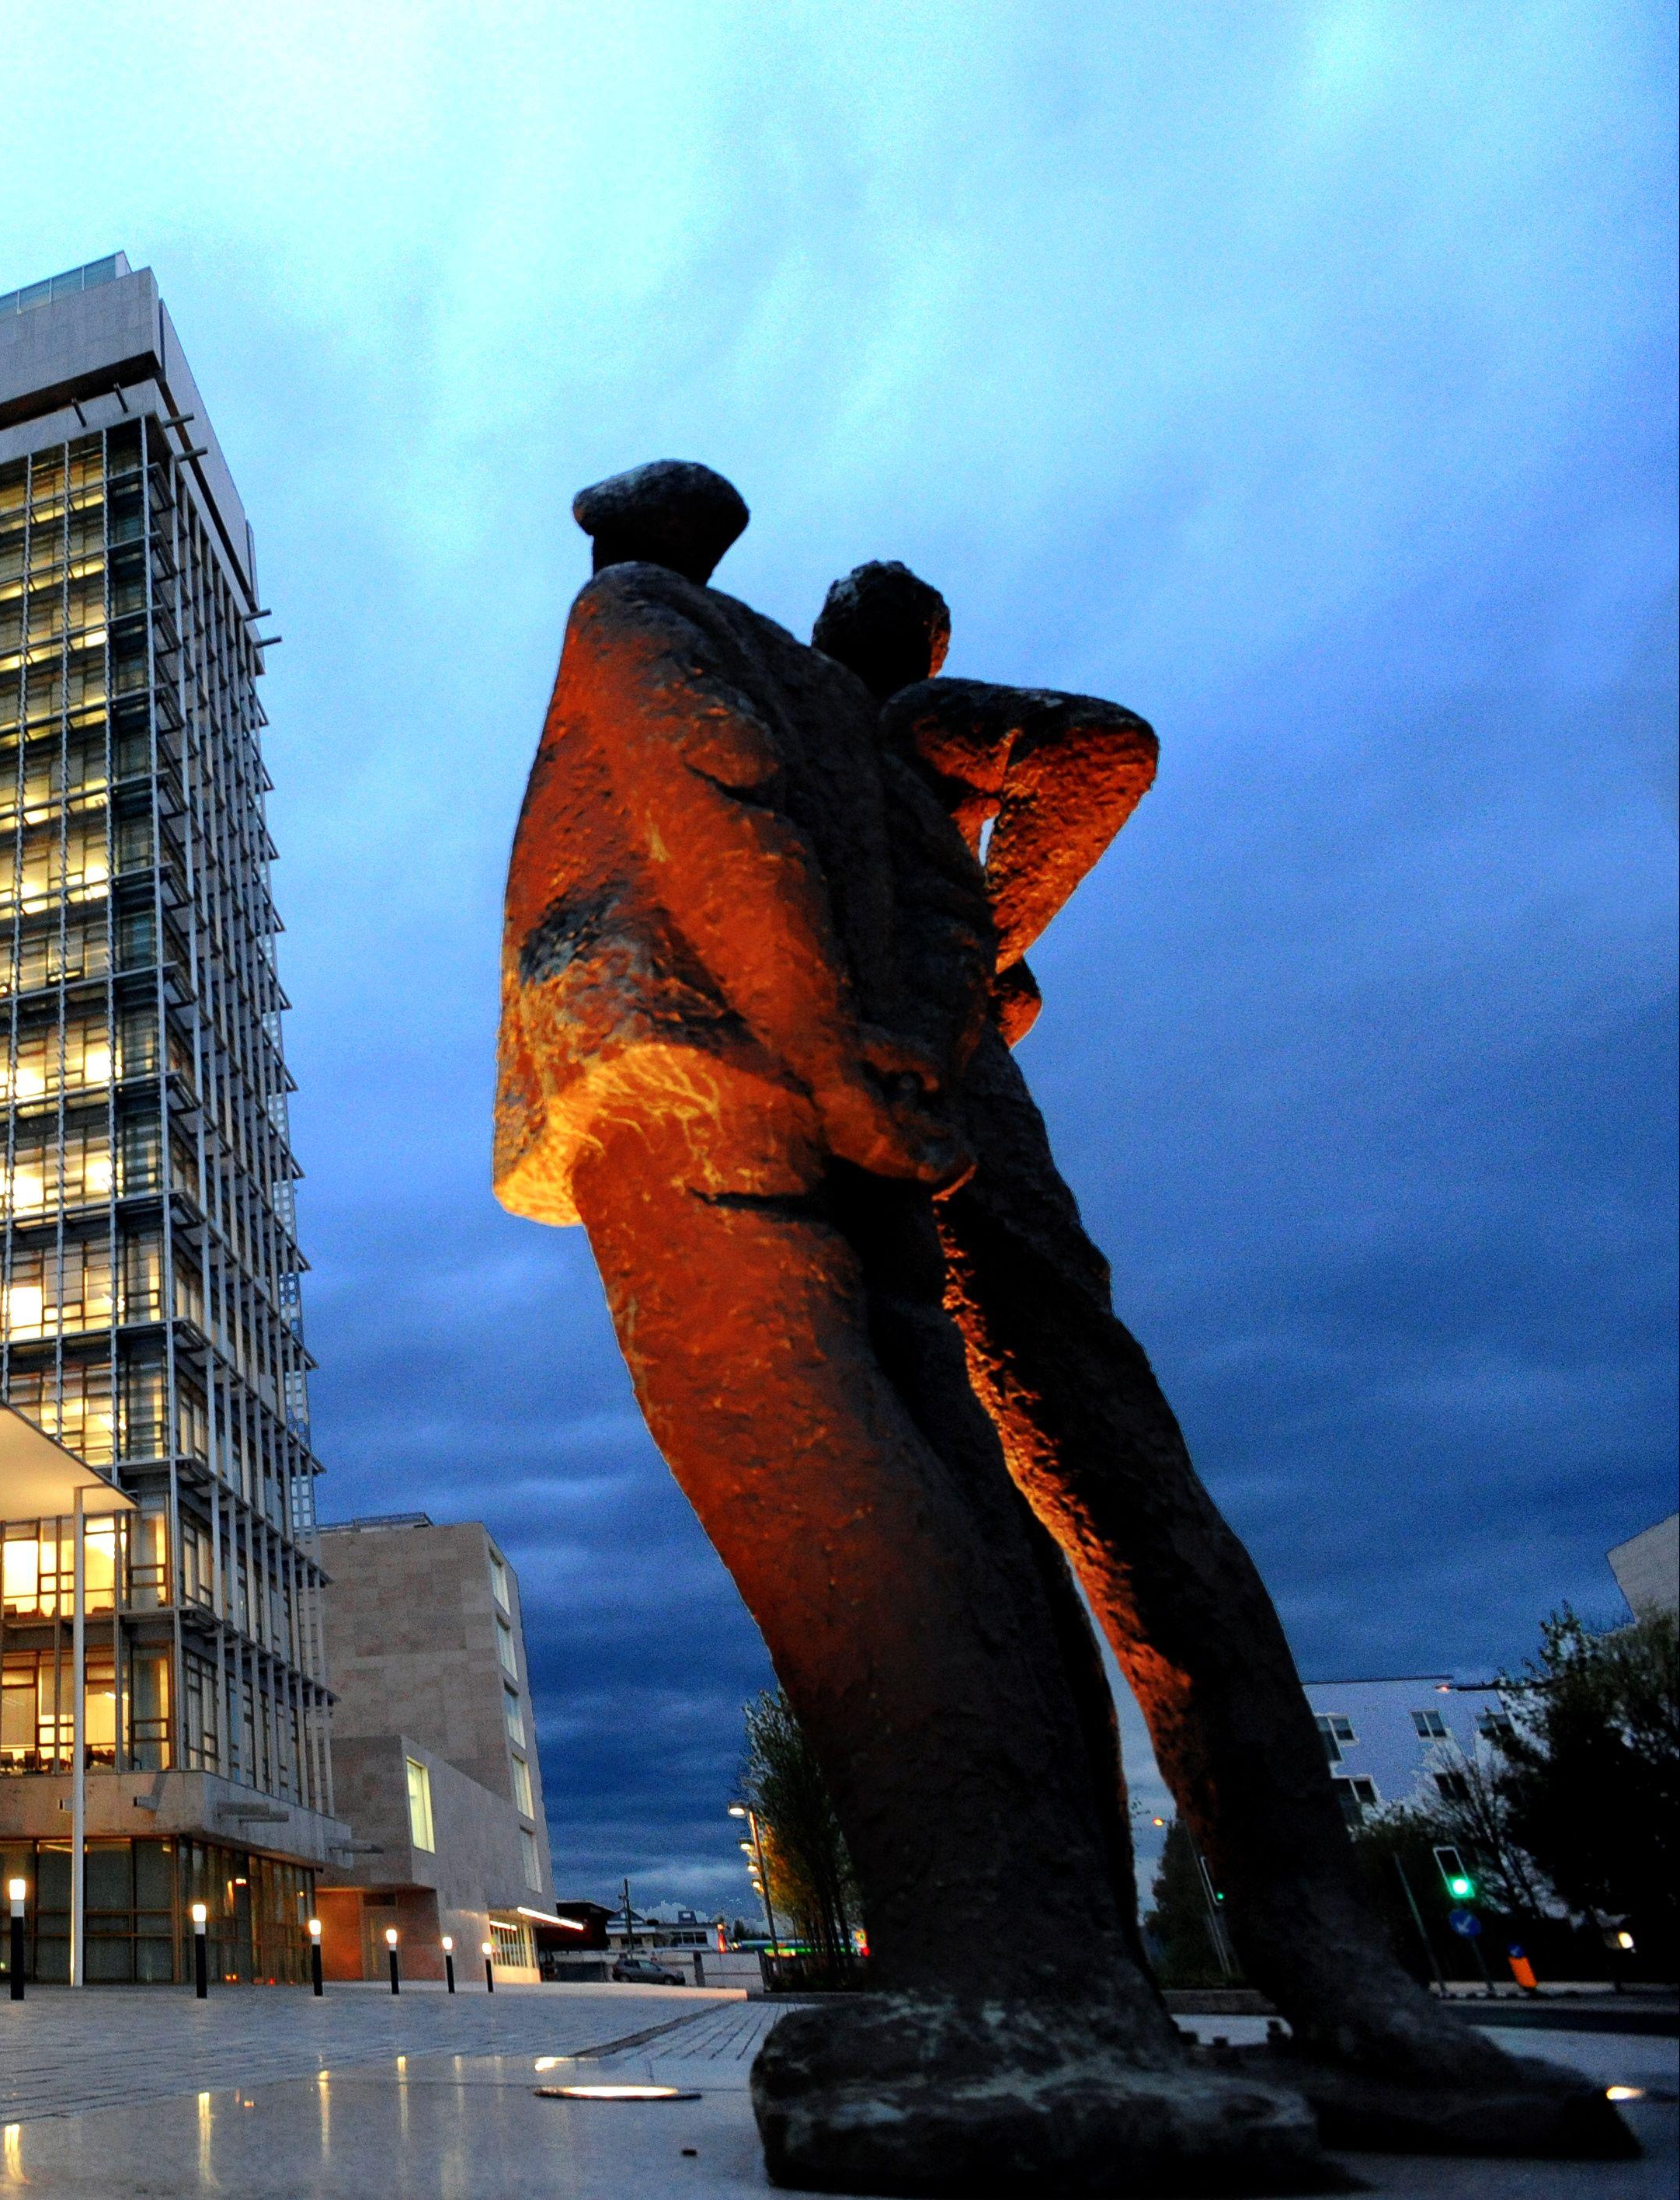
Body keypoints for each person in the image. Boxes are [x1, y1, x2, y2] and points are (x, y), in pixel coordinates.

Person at [496, 461, 1316, 2195]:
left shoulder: (639, 617)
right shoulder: (848, 708)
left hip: (688, 1053)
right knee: (946, 1474)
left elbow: (716, 808)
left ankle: (1006, 1984)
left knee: (814, 1476)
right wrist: (922, 1003)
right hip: (840, 1076)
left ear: (628, 529)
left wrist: (821, 1030)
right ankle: (1064, 1974)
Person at [811, 560, 1634, 2162]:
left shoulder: (899, 724)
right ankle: (1088, 1970)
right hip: (860, 1143)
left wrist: (965, 952)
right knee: (983, 1526)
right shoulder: (822, 761)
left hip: (952, 1147)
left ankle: (1314, 1953)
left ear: (880, 644)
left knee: (1100, 1484)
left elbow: (1100, 750)